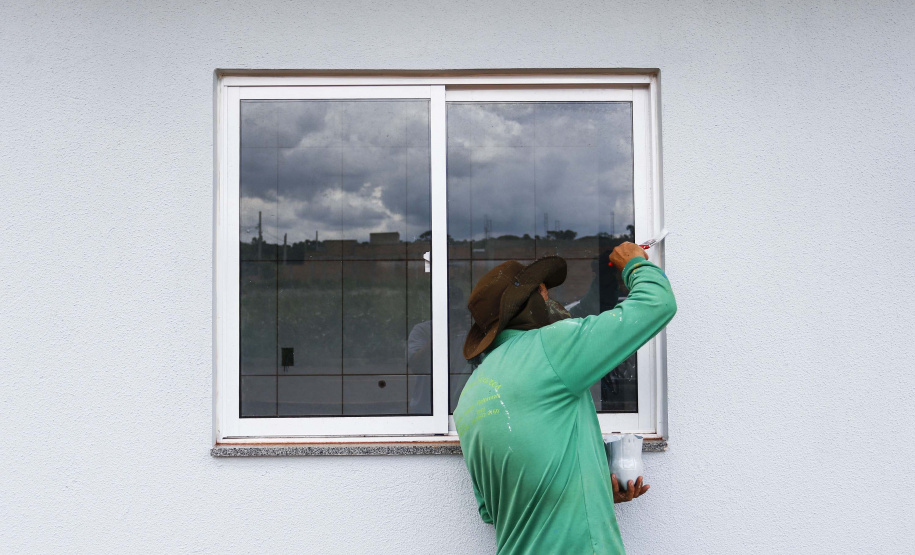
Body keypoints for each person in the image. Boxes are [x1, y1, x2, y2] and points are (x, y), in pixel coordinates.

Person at [454, 242, 677, 554]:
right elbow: (657, 304)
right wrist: (634, 264)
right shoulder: (550, 347)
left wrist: (593, 490)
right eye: (545, 292)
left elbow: (494, 510)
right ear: (528, 304)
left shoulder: (468, 399)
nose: (552, 300)